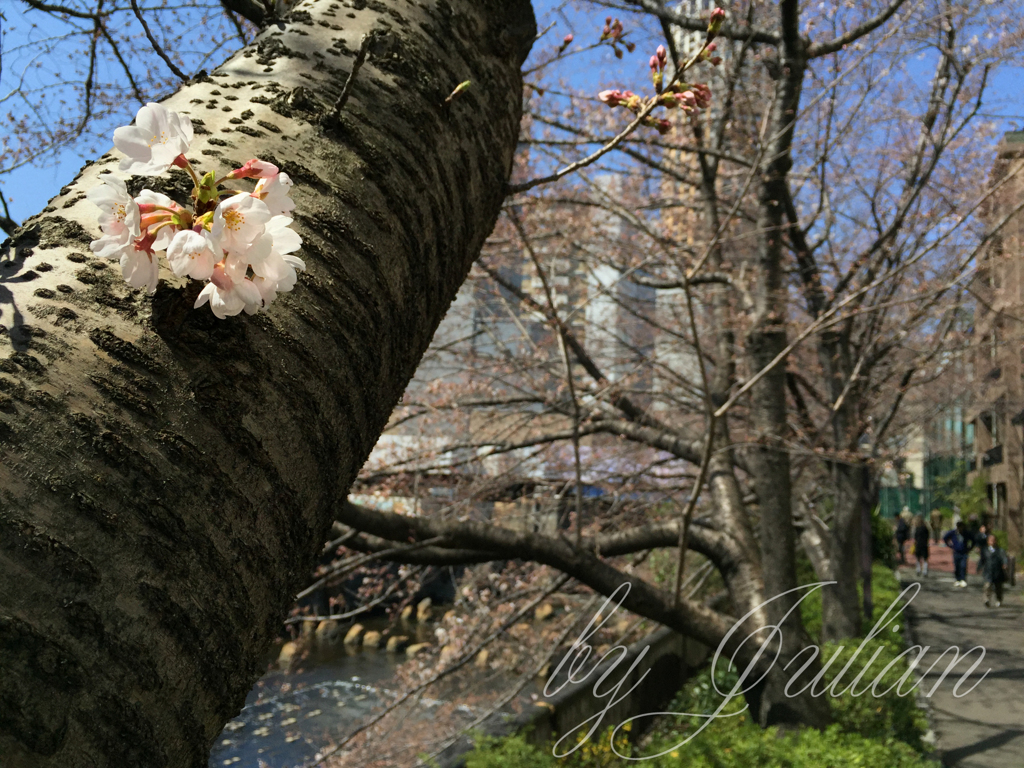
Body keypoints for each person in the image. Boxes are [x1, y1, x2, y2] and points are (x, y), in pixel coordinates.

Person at [981, 533, 1008, 607]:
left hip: (998, 572)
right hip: (988, 571)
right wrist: (979, 567)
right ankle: (986, 600)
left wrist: (1005, 564)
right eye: (990, 540)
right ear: (988, 541)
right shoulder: (985, 550)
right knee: (987, 586)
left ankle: (999, 599)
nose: (992, 541)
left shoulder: (1000, 550)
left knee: (998, 587)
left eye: (993, 540)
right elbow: (982, 560)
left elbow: (1004, 558)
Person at [943, 521, 974, 587]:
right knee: (957, 566)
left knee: (963, 566)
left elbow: (973, 540)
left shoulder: (966, 533)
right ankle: (957, 579)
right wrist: (950, 546)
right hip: (956, 552)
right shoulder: (953, 533)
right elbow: (945, 538)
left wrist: (970, 548)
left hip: (964, 552)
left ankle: (963, 579)